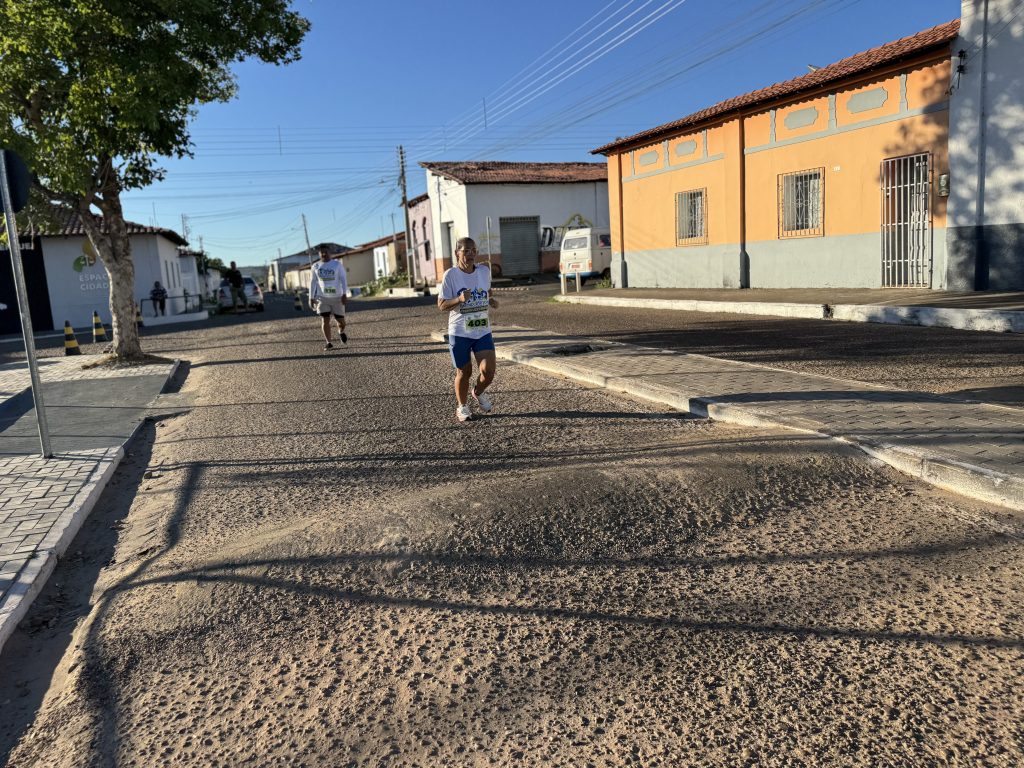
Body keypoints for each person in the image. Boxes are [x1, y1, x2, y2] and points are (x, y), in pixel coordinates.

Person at [438, 237, 498, 423]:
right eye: (466, 250)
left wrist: (490, 300)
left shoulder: (484, 271)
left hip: (482, 330)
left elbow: (487, 291)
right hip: (459, 332)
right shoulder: (451, 275)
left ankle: (477, 392)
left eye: (473, 250)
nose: (470, 254)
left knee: (488, 371)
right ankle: (462, 406)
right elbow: (441, 304)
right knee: (464, 372)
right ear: (457, 253)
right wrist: (459, 299)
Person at [309, 245, 348, 350]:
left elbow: (343, 279)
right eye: (321, 252)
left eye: (326, 252)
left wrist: (345, 294)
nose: (324, 254)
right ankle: (328, 342)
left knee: (341, 322)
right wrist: (311, 297)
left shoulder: (337, 265)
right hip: (322, 298)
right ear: (319, 254)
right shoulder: (315, 266)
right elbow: (312, 282)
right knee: (325, 320)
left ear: (330, 253)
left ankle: (341, 331)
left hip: (337, 298)